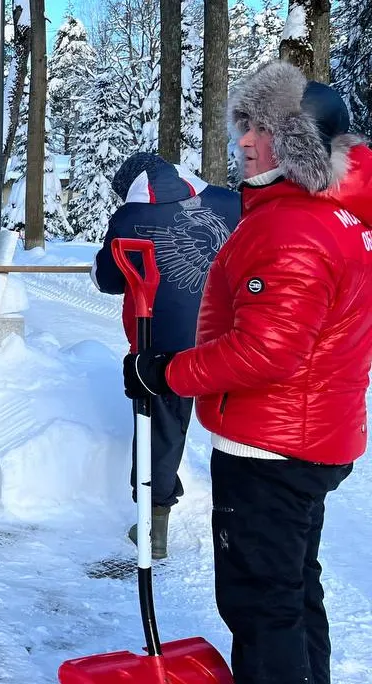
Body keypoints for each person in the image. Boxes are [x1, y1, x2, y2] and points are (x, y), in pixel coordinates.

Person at [122, 61, 372, 684]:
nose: (245, 141)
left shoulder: (292, 227)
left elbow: (266, 350)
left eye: (263, 129)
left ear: (299, 145)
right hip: (310, 434)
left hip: (272, 446)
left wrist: (165, 373)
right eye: (245, 126)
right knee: (292, 590)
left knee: (261, 604)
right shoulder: (334, 216)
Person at [93, 152, 240, 559]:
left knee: (161, 430)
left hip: (162, 345)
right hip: (234, 338)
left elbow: (107, 279)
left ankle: (154, 529)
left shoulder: (130, 217)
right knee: (241, 428)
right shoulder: (232, 202)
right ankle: (244, 524)